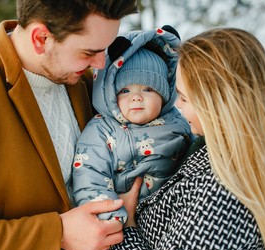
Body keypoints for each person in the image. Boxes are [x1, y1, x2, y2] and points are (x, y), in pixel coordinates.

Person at [0, 0, 138, 250]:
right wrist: (56, 233)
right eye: (88, 52)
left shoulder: (89, 81)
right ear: (40, 38)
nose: (101, 64)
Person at [108, 27, 265, 250]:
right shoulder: (223, 158)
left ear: (216, 106)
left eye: (185, 97)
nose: (178, 105)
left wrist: (126, 228)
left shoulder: (220, 200)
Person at [72, 27, 193, 227]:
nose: (136, 97)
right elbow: (90, 175)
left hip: (174, 214)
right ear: (111, 94)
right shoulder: (102, 130)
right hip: (125, 217)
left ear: (165, 94)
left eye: (148, 89)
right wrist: (111, 215)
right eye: (125, 90)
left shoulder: (179, 121)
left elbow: (196, 158)